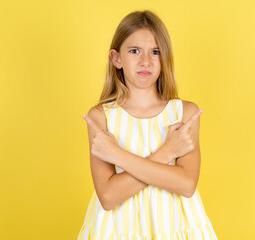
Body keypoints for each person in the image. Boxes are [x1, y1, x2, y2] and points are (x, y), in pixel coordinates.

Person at [77, 10, 218, 240]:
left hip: (175, 228)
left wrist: (117, 155)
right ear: (117, 58)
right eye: (134, 51)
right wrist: (167, 153)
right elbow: (109, 196)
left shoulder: (185, 113)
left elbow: (186, 184)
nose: (146, 61)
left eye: (156, 52)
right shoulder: (101, 117)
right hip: (116, 231)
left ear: (165, 59)